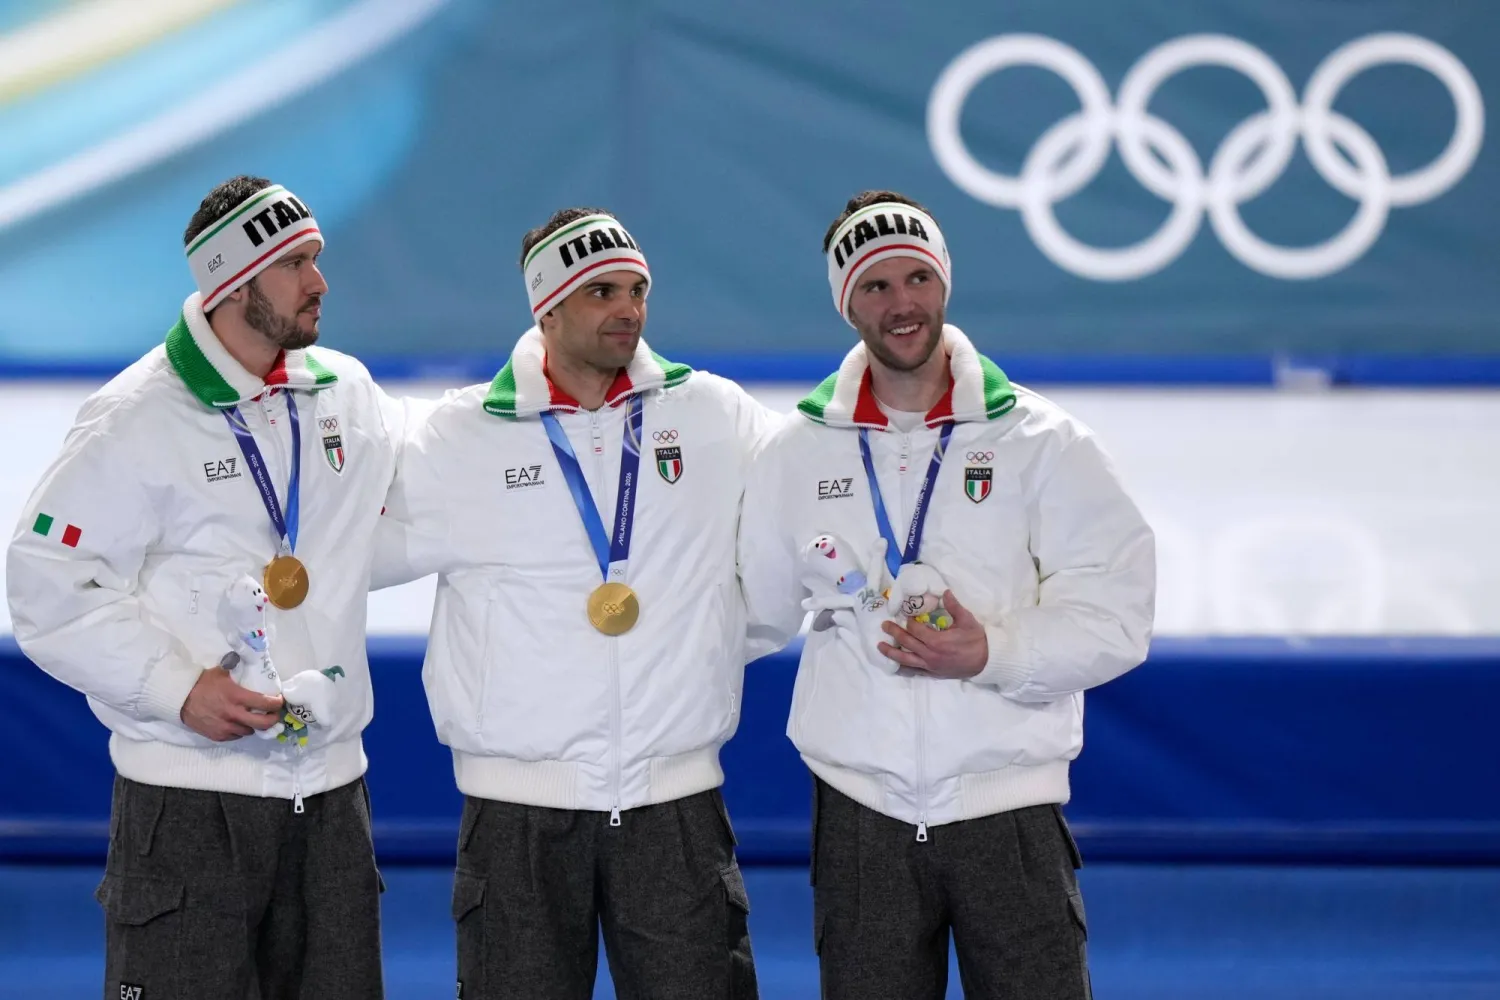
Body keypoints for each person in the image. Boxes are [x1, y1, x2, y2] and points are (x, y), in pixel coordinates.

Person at [737, 189, 1156, 999]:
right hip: (862, 814)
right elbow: (752, 613)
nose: (902, 305)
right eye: (875, 286)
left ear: (944, 284)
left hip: (1009, 808)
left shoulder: (1043, 443)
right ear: (846, 304)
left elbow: (1120, 617)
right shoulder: (793, 453)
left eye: (916, 279)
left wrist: (993, 651)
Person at [6, 175, 399, 999]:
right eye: (295, 264)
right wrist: (176, 688)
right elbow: (47, 581)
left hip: (330, 797)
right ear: (232, 281)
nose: (319, 281)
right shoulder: (136, 418)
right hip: (187, 804)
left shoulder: (348, 396)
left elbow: (407, 518)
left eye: (316, 259)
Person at [375, 207, 774, 999]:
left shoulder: (714, 417)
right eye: (601, 292)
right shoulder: (460, 436)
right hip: (517, 808)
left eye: (636, 290)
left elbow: (806, 527)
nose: (627, 309)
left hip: (676, 803)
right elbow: (341, 551)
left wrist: (718, 643)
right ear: (545, 308)